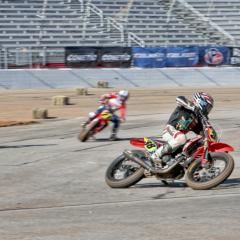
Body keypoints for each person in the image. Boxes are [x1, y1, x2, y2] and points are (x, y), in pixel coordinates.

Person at [150, 92, 214, 166]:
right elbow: (179, 98)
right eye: (207, 107)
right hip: (170, 130)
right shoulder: (187, 105)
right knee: (181, 137)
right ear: (201, 102)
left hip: (177, 138)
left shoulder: (197, 119)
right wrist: (194, 108)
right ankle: (155, 155)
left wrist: (209, 137)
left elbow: (202, 133)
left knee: (195, 143)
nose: (208, 110)